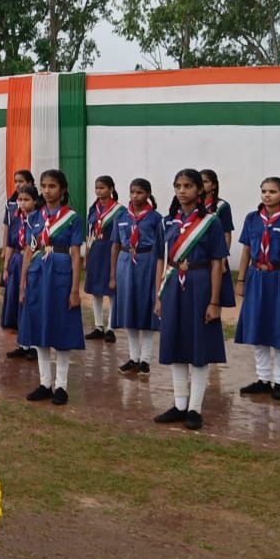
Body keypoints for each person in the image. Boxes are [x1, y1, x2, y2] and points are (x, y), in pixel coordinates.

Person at [152, 169, 227, 431]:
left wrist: (214, 301)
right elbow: (161, 259)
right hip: (173, 285)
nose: (182, 190)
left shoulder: (212, 223)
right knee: (175, 344)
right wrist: (158, 295)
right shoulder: (166, 222)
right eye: (178, 186)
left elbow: (218, 263)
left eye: (188, 186)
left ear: (200, 190)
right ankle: (179, 403)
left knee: (199, 347)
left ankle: (195, 407)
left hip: (200, 283)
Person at [234, 177, 280, 401]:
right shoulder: (252, 219)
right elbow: (246, 250)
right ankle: (263, 379)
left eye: (273, 191)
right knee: (258, 327)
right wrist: (241, 279)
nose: (267, 195)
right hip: (257, 276)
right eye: (264, 191)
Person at [20, 170, 84, 405]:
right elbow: (29, 250)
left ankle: (62, 386)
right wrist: (22, 284)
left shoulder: (72, 218)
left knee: (61, 328)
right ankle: (44, 382)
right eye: (44, 186)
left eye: (53, 186)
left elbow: (76, 255)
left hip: (60, 275)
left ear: (63, 189)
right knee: (39, 327)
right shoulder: (34, 217)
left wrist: (75, 290)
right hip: (38, 275)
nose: (47, 191)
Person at [111, 178, 162, 376]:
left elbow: (161, 249)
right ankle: (133, 357)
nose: (135, 196)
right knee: (129, 310)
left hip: (147, 262)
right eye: (132, 192)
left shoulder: (156, 218)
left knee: (146, 311)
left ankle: (145, 360)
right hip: (125, 262)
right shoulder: (122, 216)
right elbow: (115, 245)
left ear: (148, 194)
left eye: (140, 192)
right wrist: (113, 274)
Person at [3, 184, 39, 360]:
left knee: (30, 301)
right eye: (20, 200)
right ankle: (22, 343)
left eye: (26, 200)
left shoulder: (39, 220)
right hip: (17, 262)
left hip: (32, 262)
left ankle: (34, 345)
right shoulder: (16, 219)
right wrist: (6, 266)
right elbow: (10, 243)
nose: (23, 204)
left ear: (35, 201)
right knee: (17, 302)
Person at [84, 176, 120, 343]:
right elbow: (89, 233)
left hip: (111, 250)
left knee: (112, 291)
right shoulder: (92, 210)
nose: (99, 191)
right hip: (96, 250)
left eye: (103, 188)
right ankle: (99, 326)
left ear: (111, 189)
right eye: (97, 188)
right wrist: (87, 255)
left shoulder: (120, 211)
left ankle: (111, 327)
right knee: (95, 290)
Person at [201, 169, 238, 310]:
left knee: (215, 294)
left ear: (214, 185)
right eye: (200, 182)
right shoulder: (191, 205)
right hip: (197, 256)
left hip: (215, 255)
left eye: (205, 181)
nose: (202, 185)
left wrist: (223, 260)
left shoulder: (222, 206)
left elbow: (227, 234)